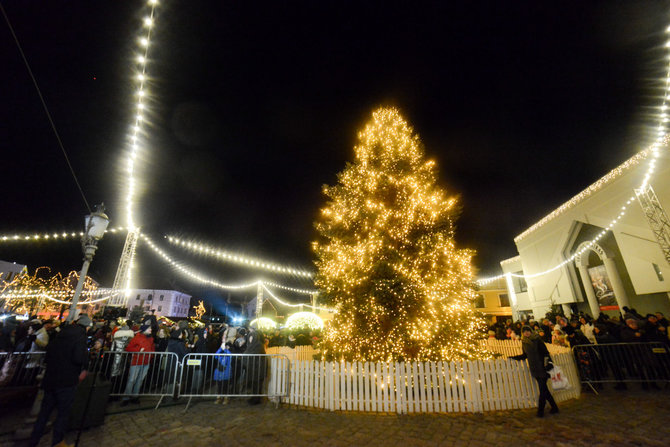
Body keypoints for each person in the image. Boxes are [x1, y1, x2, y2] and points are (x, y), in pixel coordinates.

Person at [29, 315, 91, 447]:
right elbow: (78, 357)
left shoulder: (60, 335)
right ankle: (57, 442)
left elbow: (48, 354)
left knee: (44, 413)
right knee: (63, 414)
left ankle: (33, 441)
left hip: (51, 378)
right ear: (86, 327)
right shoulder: (80, 337)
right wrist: (86, 360)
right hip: (66, 380)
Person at [511, 326, 559, 418]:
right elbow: (525, 355)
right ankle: (554, 407)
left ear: (531, 331)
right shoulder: (524, 342)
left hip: (542, 367)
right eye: (524, 332)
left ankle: (540, 411)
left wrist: (546, 364)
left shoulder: (537, 340)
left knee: (542, 389)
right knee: (544, 389)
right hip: (534, 368)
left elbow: (545, 353)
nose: (527, 333)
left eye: (528, 331)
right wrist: (514, 357)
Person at [120, 324, 155, 406]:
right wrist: (138, 350)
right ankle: (126, 397)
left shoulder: (151, 338)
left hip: (146, 362)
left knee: (140, 380)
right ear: (144, 330)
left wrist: (152, 355)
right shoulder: (137, 338)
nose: (150, 329)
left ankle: (135, 396)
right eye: (149, 328)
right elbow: (128, 348)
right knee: (132, 380)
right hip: (137, 361)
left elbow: (152, 348)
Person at [214, 338, 233, 404]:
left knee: (226, 386)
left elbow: (230, 356)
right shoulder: (220, 352)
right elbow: (215, 356)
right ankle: (219, 398)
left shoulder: (228, 353)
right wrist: (220, 349)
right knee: (219, 386)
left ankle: (226, 398)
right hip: (219, 372)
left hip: (226, 372)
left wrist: (225, 349)